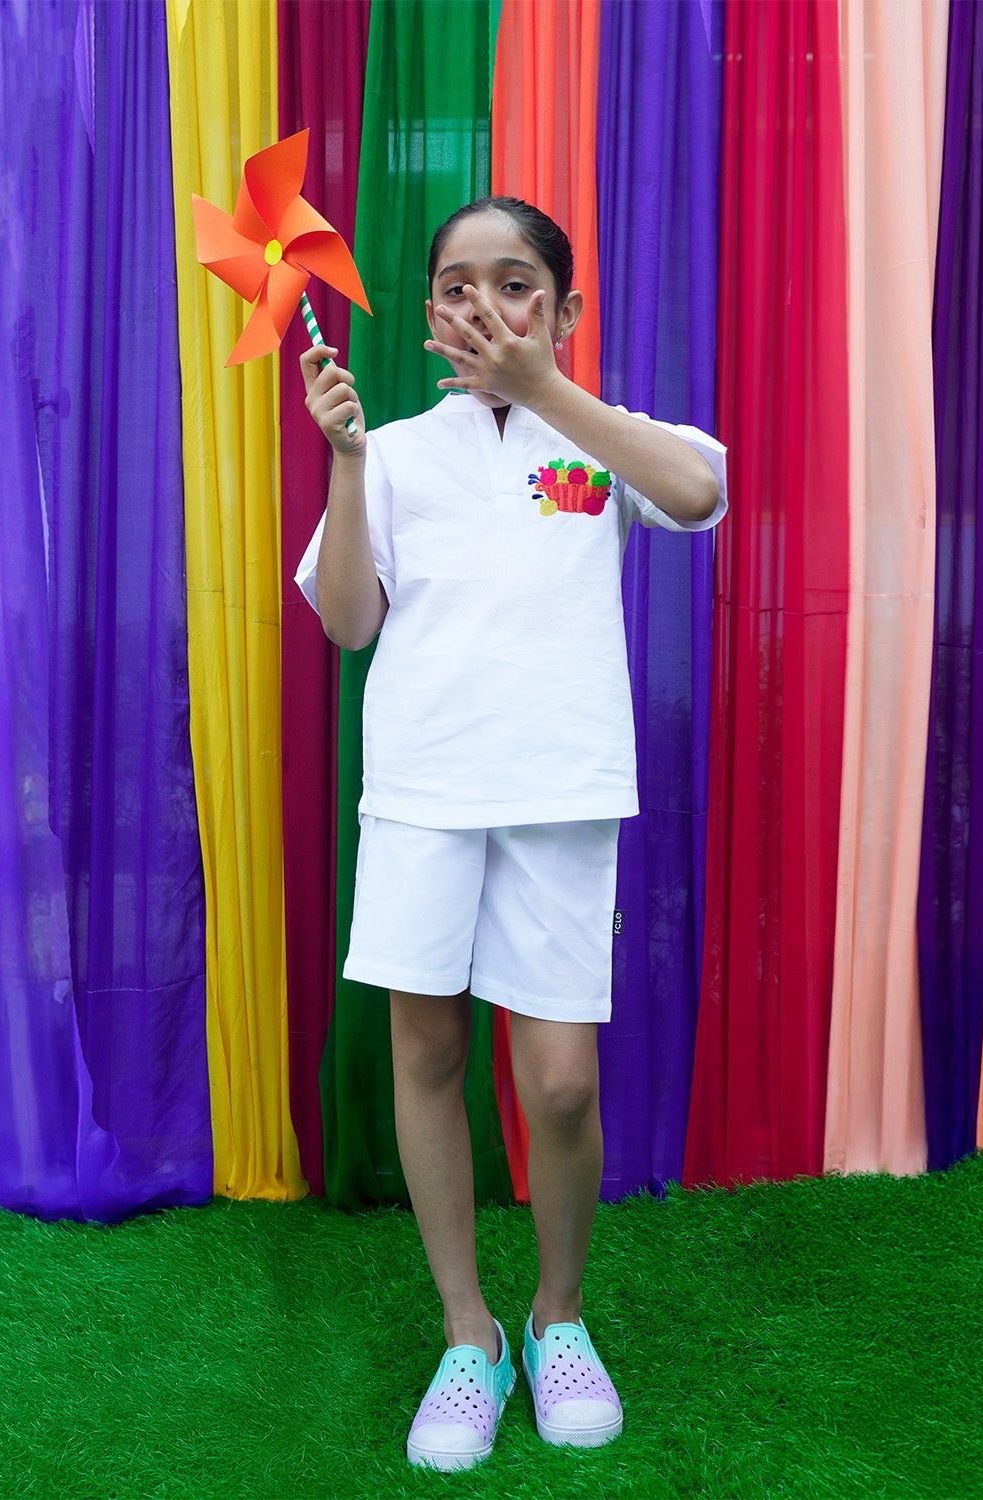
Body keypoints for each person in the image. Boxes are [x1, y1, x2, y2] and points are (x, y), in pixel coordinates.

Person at [294, 196, 727, 1471]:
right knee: (428, 1056)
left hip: (559, 795)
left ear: (564, 309)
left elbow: (699, 493)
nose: (485, 303)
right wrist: (346, 460)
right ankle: (468, 1333)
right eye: (458, 285)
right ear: (429, 314)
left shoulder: (594, 442)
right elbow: (348, 622)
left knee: (561, 1083)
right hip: (424, 796)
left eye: (517, 282)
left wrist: (546, 390)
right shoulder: (398, 453)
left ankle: (558, 1317)